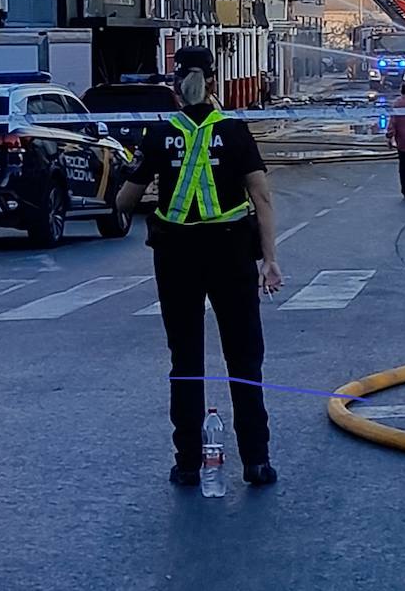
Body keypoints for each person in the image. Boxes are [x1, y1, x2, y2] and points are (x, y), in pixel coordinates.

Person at [116, 46, 281, 487]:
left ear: (175, 86)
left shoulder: (159, 134)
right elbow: (262, 198)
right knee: (244, 358)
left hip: (177, 257)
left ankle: (188, 462)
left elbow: (125, 201)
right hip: (231, 253)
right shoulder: (235, 131)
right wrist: (270, 260)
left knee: (185, 359)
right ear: (212, 82)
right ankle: (256, 461)